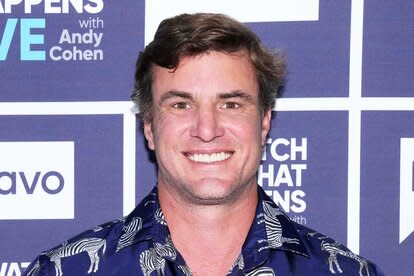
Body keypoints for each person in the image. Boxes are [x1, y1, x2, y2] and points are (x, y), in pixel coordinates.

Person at [24, 13, 384, 276]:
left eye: (230, 104)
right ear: (149, 125)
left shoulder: (345, 272)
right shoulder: (63, 270)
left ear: (263, 123)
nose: (207, 129)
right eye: (181, 105)